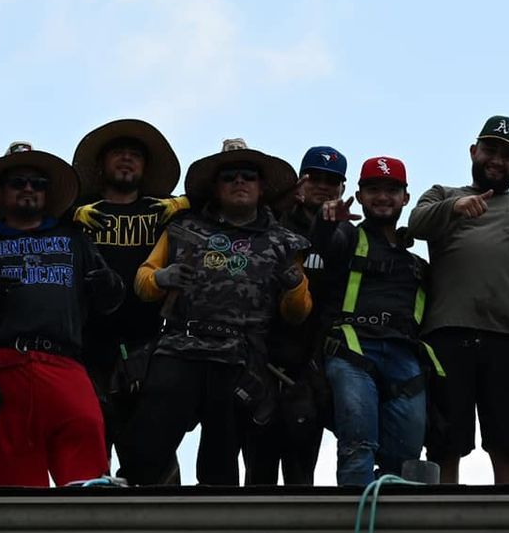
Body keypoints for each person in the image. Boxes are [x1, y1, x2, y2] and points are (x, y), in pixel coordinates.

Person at [123, 139, 312, 487]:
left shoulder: (285, 242)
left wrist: (294, 285)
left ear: (261, 187)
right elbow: (142, 280)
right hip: (180, 346)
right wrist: (162, 278)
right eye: (229, 177)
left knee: (220, 466)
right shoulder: (183, 228)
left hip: (239, 359)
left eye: (247, 176)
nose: (239, 182)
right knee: (143, 449)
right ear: (216, 186)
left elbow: (297, 314)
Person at [0, 143, 122, 487]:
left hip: (66, 364)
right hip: (4, 367)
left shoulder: (74, 238)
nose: (29, 189)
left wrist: (110, 286)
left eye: (38, 183)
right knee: (13, 490)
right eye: (18, 182)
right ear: (1, 193)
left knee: (88, 478)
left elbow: (110, 302)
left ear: (48, 194)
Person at [407, 116, 509, 484]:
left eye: (507, 154)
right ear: (473, 151)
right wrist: (455, 207)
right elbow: (414, 224)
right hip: (446, 337)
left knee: (508, 447)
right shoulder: (442, 194)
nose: (497, 160)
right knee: (443, 448)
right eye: (490, 150)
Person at [311, 156, 436, 485]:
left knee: (407, 459)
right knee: (357, 449)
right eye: (374, 189)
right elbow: (323, 249)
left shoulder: (417, 264)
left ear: (406, 198)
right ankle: (355, 527)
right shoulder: (348, 237)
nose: (383, 197)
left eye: (392, 190)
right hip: (354, 351)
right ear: (360, 195)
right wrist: (325, 223)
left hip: (406, 358)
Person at [69, 119, 185, 468]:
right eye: (118, 153)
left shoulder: (163, 211)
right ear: (101, 164)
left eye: (134, 154)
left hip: (148, 346)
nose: (126, 159)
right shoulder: (77, 213)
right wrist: (70, 212)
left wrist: (183, 203)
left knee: (154, 456)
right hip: (88, 348)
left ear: (146, 166)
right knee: (91, 452)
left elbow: (222, 200)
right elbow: (33, 214)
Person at [267, 146, 350, 486]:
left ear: (343, 189)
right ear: (300, 184)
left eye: (332, 181)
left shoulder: (349, 233)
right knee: (259, 463)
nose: (323, 186)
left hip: (313, 359)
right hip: (266, 354)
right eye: (315, 178)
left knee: (301, 469)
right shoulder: (272, 221)